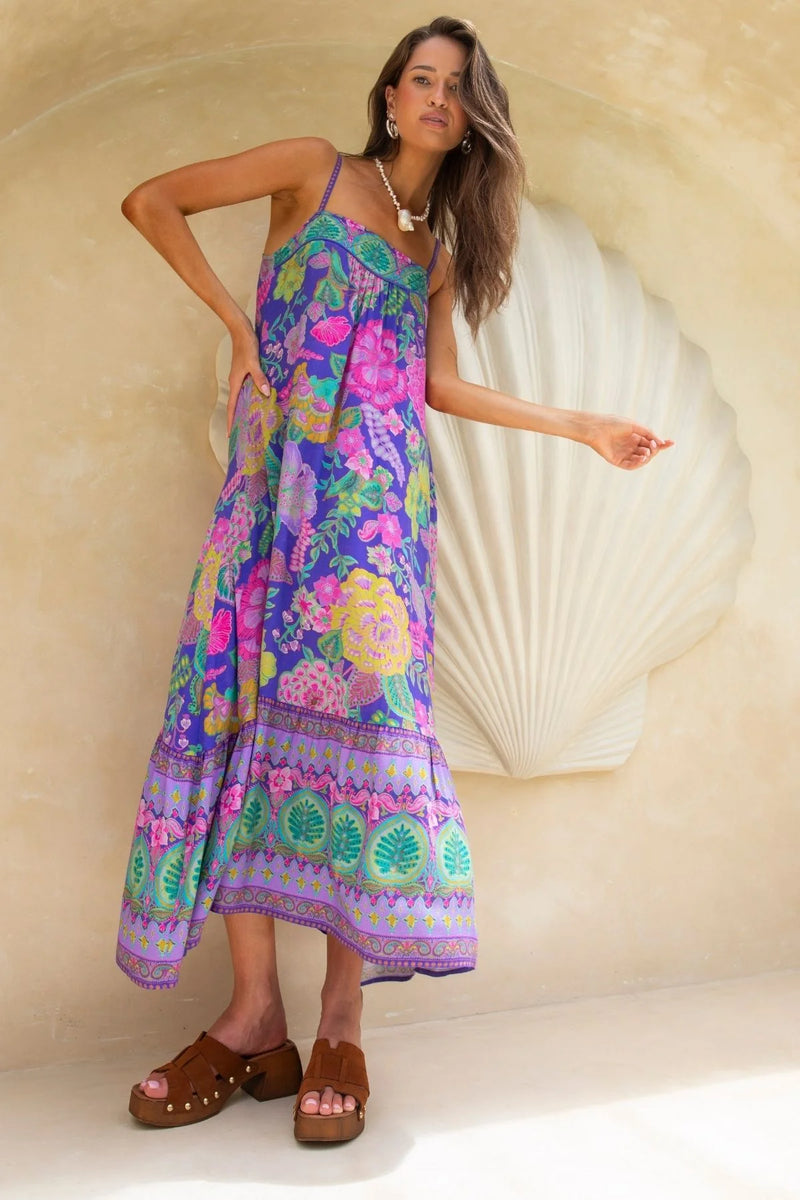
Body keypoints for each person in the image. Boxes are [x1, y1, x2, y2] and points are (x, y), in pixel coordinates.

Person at [117, 15, 673, 1145]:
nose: (431, 97)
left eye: (453, 87)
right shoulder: (307, 171)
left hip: (375, 524)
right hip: (272, 501)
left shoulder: (438, 249)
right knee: (242, 722)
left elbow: (438, 390)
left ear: (471, 117)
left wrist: (579, 426)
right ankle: (250, 1018)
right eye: (417, 78)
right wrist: (236, 328)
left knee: (367, 749)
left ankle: (339, 1023)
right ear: (387, 93)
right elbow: (150, 201)